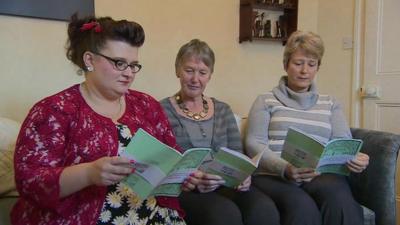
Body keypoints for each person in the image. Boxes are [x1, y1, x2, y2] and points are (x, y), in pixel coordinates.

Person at [12, 14, 185, 225]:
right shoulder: (54, 110)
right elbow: (29, 182)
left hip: (151, 216)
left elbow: (173, 159)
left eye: (134, 65)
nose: (129, 73)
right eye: (119, 63)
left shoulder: (147, 106)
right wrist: (88, 173)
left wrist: (189, 177)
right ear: (89, 60)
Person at [245, 30, 370, 225]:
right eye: (298, 63)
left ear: (318, 67)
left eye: (311, 64)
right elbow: (254, 143)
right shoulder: (265, 100)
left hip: (320, 176)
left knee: (339, 197)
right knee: (302, 208)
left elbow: (342, 141)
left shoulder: (331, 103)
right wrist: (284, 168)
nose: (305, 71)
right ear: (286, 64)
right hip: (275, 177)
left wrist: (354, 157)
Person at [160, 39, 279, 225]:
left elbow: (237, 155)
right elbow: (161, 160)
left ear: (210, 75)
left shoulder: (223, 109)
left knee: (263, 208)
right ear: (177, 70)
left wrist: (243, 175)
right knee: (224, 214)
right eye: (189, 70)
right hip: (186, 188)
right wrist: (191, 176)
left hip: (224, 183)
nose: (195, 79)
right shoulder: (161, 110)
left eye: (202, 72)